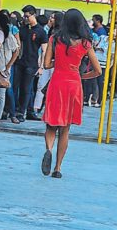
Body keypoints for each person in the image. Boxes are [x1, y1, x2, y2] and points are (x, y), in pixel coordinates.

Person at [41, 9, 102, 178]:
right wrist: (81, 75)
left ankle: (48, 149)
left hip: (57, 82)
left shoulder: (54, 39)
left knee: (51, 123)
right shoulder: (85, 44)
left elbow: (46, 65)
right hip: (73, 84)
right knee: (65, 129)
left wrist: (58, 61)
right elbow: (98, 71)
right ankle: (58, 168)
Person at [16, 5, 48, 121]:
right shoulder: (23, 29)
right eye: (24, 16)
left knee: (26, 88)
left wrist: (41, 66)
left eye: (27, 16)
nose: (25, 18)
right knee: (17, 87)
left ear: (33, 15)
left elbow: (44, 50)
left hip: (32, 63)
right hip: (20, 62)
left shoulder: (41, 31)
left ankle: (22, 112)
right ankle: (19, 110)